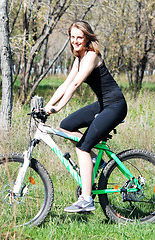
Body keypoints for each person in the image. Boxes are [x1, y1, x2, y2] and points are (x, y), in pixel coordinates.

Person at [44, 21, 127, 213]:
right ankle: (98, 163)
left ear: (87, 38)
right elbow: (66, 83)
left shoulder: (91, 56)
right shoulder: (79, 58)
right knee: (66, 125)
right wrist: (49, 104)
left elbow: (75, 85)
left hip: (115, 106)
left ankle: (86, 199)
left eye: (79, 37)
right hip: (103, 104)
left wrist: (58, 107)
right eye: (72, 37)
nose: (75, 41)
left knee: (82, 147)